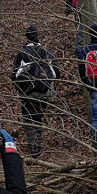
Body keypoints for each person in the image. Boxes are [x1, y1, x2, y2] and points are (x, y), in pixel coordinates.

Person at [11, 26, 59, 157]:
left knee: (28, 118)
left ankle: (34, 148)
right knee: (38, 117)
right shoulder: (46, 51)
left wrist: (20, 87)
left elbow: (14, 75)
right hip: (45, 92)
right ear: (38, 36)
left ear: (26, 37)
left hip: (29, 92)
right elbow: (56, 73)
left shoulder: (22, 53)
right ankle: (37, 144)